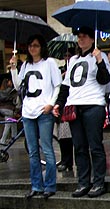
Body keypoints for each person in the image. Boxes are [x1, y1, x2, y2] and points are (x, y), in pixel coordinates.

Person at [52, 26, 110, 198]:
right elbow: (66, 85)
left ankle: (99, 182)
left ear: (92, 39)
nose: (81, 39)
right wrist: (59, 103)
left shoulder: (100, 56)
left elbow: (105, 79)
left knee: (95, 146)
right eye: (79, 37)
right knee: (79, 147)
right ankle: (83, 182)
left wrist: (99, 59)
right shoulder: (74, 60)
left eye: (85, 36)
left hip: (93, 104)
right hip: (75, 105)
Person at [9, 34, 62, 199]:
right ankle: (36, 185)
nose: (33, 48)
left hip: (43, 111)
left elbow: (57, 85)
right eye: (31, 45)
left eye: (36, 45)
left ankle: (50, 185)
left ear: (42, 47)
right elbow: (18, 85)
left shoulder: (49, 63)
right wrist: (13, 68)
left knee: (47, 148)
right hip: (28, 111)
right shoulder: (26, 64)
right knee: (32, 151)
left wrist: (51, 104)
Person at [56, 48, 75, 172]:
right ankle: (64, 160)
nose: (67, 58)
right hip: (61, 104)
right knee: (62, 135)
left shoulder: (74, 68)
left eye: (69, 55)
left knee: (69, 135)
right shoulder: (61, 70)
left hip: (72, 104)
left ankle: (69, 161)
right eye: (65, 55)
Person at [0, 78, 17, 145]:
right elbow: (14, 101)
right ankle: (3, 140)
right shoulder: (11, 90)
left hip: (2, 109)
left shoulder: (1, 91)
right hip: (8, 109)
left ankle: (14, 137)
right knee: (8, 124)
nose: (11, 83)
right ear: (7, 83)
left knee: (13, 122)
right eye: (10, 82)